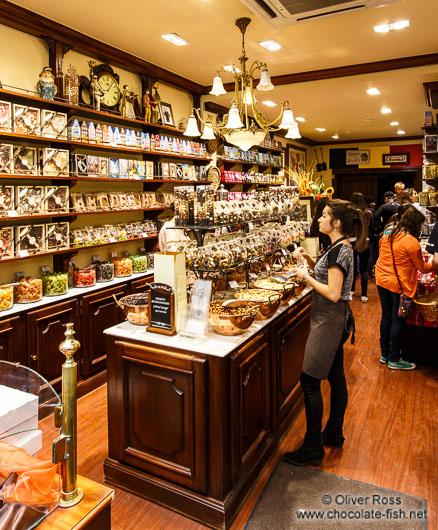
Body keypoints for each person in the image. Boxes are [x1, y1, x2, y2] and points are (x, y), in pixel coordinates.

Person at [284, 199, 367, 466]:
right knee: (336, 375)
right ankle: (333, 432)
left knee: (309, 381)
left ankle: (312, 446)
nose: (319, 219)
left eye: (324, 216)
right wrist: (309, 261)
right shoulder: (338, 247)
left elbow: (333, 293)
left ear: (337, 223)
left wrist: (303, 275)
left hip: (329, 321)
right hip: (333, 319)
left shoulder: (340, 250)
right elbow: (330, 278)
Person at [375, 206, 438, 370]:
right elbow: (422, 268)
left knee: (386, 317)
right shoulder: (411, 242)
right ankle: (394, 359)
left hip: (382, 280)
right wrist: (436, 263)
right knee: (398, 320)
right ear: (416, 225)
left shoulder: (387, 236)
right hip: (399, 284)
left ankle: (385, 354)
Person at [350, 192, 371, 302]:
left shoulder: (350, 213)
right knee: (364, 269)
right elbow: (371, 229)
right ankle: (364, 294)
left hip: (351, 242)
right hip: (365, 241)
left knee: (352, 268)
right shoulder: (368, 213)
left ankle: (352, 290)